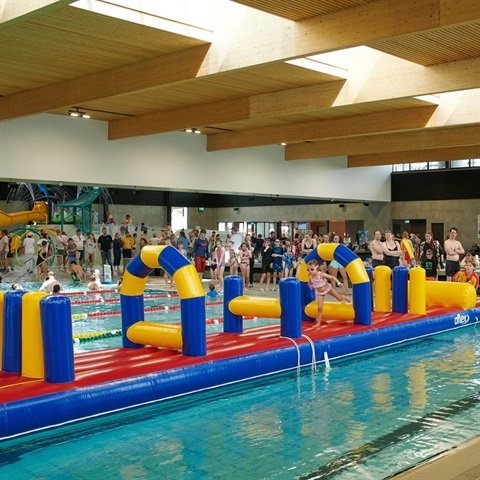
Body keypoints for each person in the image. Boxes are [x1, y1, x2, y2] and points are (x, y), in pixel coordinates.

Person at [307, 259, 350, 326]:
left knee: (339, 299)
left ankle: (344, 297)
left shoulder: (321, 274)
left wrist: (339, 283)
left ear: (317, 268)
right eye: (308, 270)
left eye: (312, 269)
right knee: (319, 307)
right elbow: (310, 282)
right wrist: (310, 285)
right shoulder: (310, 276)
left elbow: (332, 277)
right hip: (320, 292)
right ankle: (318, 322)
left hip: (328, 288)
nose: (310, 271)